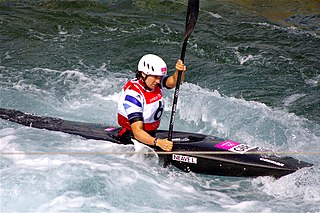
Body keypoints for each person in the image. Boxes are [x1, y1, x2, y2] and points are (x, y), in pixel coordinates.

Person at [117, 54, 187, 152]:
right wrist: (158, 143)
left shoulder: (153, 83)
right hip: (132, 139)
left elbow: (174, 81)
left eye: (160, 77)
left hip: (151, 135)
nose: (158, 81)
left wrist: (179, 71)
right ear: (143, 74)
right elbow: (137, 132)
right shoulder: (133, 95)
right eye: (155, 77)